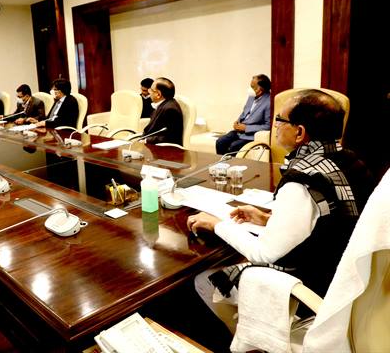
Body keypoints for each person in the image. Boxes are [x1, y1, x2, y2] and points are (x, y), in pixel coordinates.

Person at [187, 89, 374, 334]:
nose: (275, 126)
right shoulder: (351, 161)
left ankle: (254, 341)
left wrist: (215, 224)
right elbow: (331, 221)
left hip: (316, 285)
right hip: (349, 276)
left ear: (299, 132)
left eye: (279, 120)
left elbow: (263, 254)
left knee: (204, 281)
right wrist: (267, 219)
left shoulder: (301, 181)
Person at [215, 74, 271, 155]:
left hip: (251, 135)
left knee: (233, 146)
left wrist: (246, 128)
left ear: (260, 89)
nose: (250, 89)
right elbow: (244, 113)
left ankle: (231, 163)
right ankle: (222, 162)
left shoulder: (269, 102)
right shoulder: (251, 96)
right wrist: (237, 122)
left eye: (252, 87)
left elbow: (267, 126)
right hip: (239, 132)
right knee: (220, 142)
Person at [141, 77, 183, 145]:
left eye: (151, 89)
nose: (149, 91)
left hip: (163, 149)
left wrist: (146, 140)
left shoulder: (170, 110)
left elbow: (171, 138)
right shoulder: (161, 104)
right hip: (150, 145)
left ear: (158, 94)